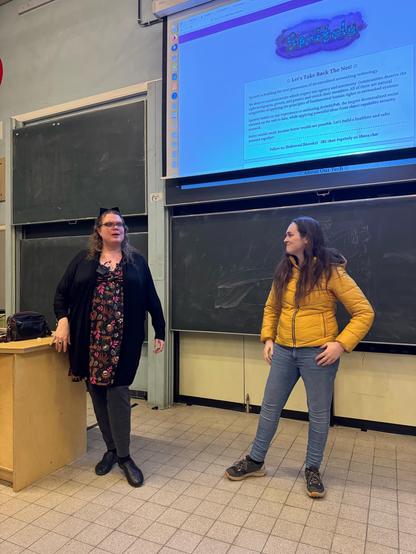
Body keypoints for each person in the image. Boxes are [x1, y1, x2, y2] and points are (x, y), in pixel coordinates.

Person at [225, 216, 374, 497]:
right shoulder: (284, 271)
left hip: (317, 355)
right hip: (283, 351)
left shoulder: (332, 273)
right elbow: (271, 308)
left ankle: (312, 469)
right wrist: (269, 338)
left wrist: (340, 345)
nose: (285, 239)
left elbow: (364, 312)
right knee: (269, 407)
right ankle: (255, 461)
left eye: (290, 234)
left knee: (318, 415)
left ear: (307, 238)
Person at [53, 207, 165, 487]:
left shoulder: (136, 262)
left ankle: (125, 457)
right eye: (110, 224)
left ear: (124, 231)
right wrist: (63, 321)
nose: (116, 228)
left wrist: (160, 330)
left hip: (123, 342)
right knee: (97, 396)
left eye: (120, 224)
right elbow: (61, 294)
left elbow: (152, 298)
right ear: (99, 231)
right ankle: (111, 450)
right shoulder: (83, 260)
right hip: (89, 342)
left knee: (118, 396)